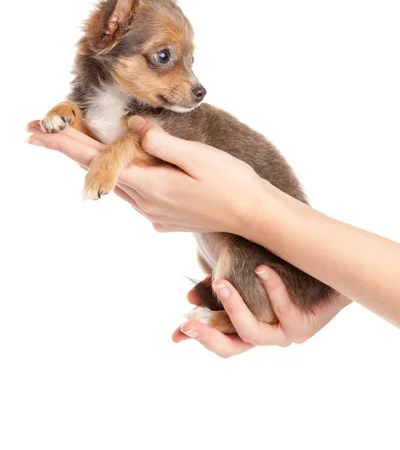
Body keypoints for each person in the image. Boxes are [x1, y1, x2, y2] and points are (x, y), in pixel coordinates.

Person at [26, 116, 400, 357]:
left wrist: (249, 210)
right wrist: (344, 285)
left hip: (247, 258)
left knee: (238, 269)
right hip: (251, 262)